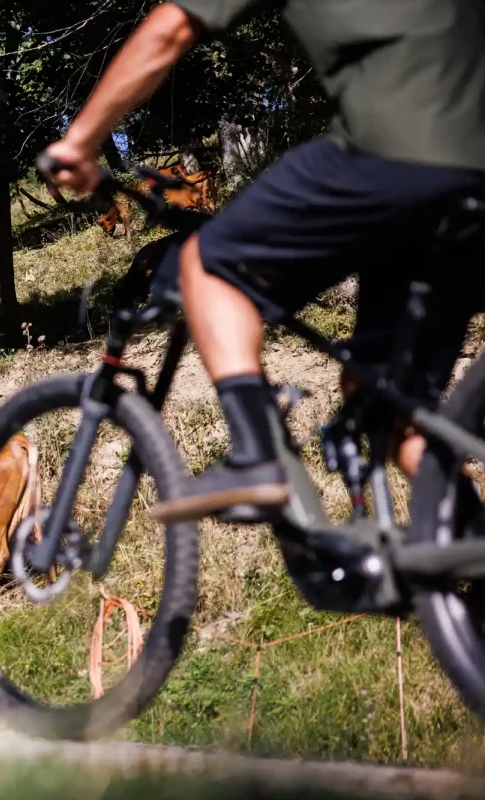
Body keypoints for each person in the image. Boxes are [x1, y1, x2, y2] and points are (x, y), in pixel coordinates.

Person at [41, 0, 485, 524]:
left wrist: (80, 142)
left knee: (207, 264)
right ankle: (467, 564)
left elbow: (170, 26)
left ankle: (255, 457)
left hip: (394, 149)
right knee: (390, 404)